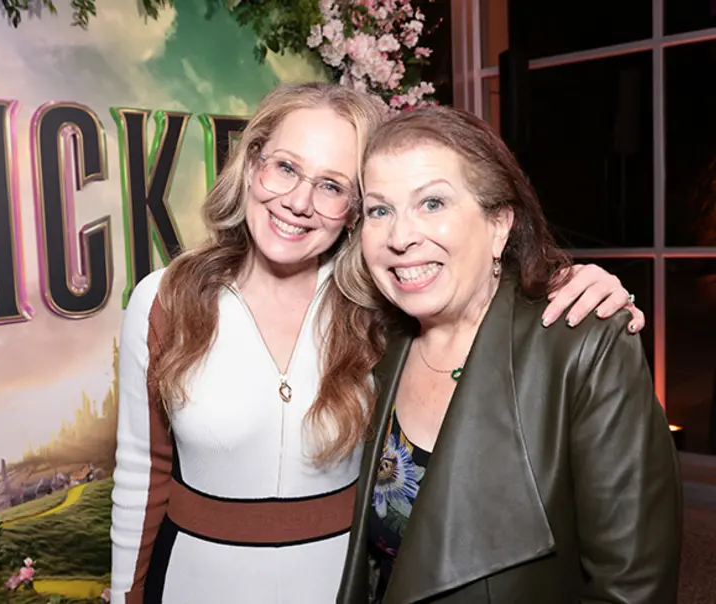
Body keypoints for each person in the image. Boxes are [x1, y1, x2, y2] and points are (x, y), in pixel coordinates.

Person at [110, 83, 645, 604]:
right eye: (286, 167)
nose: (299, 201)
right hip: (193, 583)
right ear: (253, 165)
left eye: (332, 185)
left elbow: (484, 297)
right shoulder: (168, 299)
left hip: (338, 586)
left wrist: (574, 283)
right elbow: (142, 473)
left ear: (351, 211)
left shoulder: (377, 307)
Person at [335, 106, 681, 604]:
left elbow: (632, 587)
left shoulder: (582, 345)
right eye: (379, 210)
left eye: (432, 203)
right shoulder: (372, 343)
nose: (400, 236)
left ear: (499, 224)